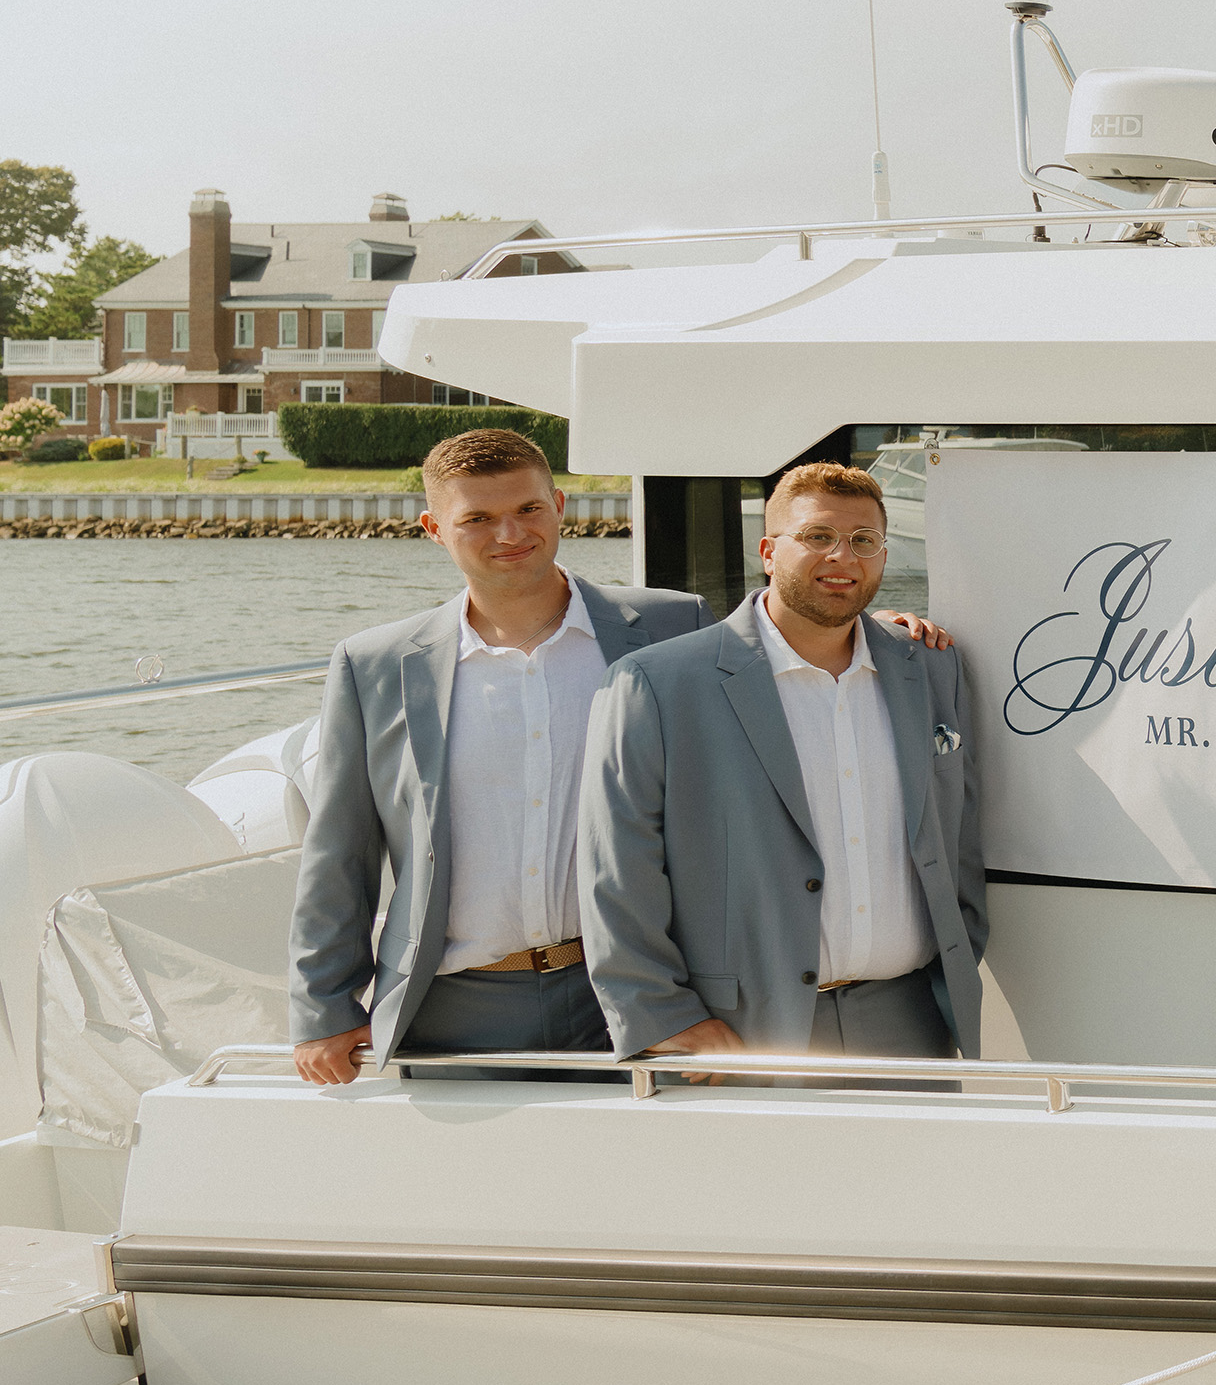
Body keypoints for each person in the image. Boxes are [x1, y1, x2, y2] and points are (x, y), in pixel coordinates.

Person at [287, 429, 717, 1083]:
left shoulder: (671, 627)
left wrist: (879, 629)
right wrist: (322, 1005)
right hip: (453, 1008)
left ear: (561, 506)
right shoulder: (372, 664)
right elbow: (340, 851)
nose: (509, 533)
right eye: (478, 519)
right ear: (434, 527)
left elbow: (782, 656)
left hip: (632, 997)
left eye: (527, 510)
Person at [580, 461, 987, 1074]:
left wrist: (960, 949)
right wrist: (664, 1017)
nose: (842, 557)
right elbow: (617, 868)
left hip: (913, 1024)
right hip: (740, 1031)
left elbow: (958, 834)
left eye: (863, 540)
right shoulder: (656, 684)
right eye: (817, 537)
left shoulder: (929, 667)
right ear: (768, 551)